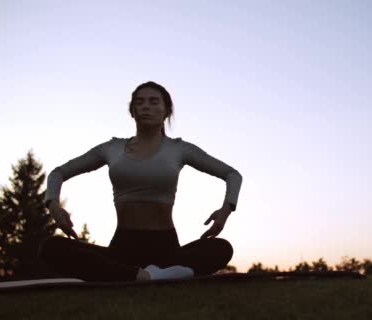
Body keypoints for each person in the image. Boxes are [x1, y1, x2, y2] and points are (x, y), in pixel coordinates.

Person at [37, 81, 243, 282]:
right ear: (132, 111)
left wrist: (225, 211)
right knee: (51, 247)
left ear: (166, 110)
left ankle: (130, 276)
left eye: (154, 102)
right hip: (122, 246)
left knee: (221, 248)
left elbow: (232, 175)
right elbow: (58, 173)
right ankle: (146, 276)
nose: (146, 106)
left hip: (166, 248)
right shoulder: (111, 148)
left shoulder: (180, 149)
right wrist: (53, 205)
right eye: (139, 102)